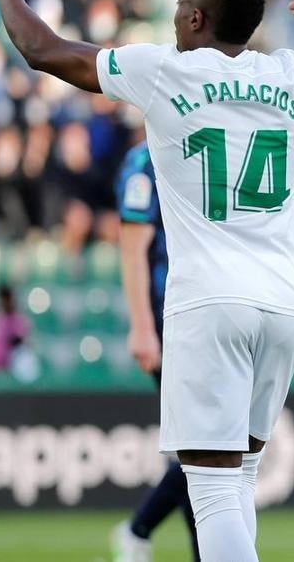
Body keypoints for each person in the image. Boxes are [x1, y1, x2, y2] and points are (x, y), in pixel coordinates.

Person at [0, 0, 294, 561]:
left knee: (211, 490)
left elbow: (41, 47)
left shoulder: (162, 70)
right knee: (237, 478)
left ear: (195, 16)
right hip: (283, 305)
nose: (173, 13)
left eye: (181, 2)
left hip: (208, 302)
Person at [109, 141, 200, 562]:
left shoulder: (187, 143)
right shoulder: (145, 160)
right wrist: (143, 326)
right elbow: (133, 244)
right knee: (204, 447)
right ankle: (141, 529)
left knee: (202, 448)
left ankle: (139, 528)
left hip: (202, 312)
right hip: (170, 316)